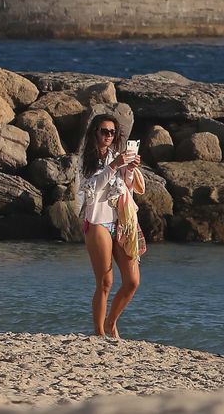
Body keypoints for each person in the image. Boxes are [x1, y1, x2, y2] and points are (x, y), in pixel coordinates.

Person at [74, 111, 146, 339]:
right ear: (95, 132)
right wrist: (113, 166)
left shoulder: (117, 156)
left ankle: (110, 322)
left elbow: (127, 187)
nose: (108, 136)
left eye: (112, 133)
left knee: (133, 281)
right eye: (104, 131)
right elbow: (91, 189)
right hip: (97, 221)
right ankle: (99, 334)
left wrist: (131, 168)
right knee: (105, 281)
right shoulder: (85, 159)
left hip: (121, 222)